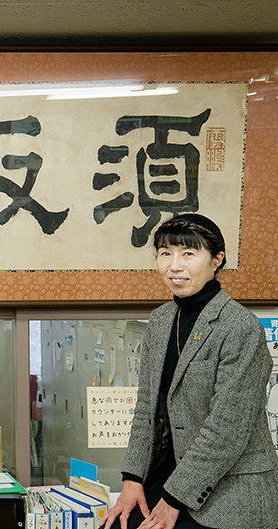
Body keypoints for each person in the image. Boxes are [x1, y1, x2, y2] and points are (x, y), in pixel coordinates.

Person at [100, 214, 278, 529]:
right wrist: (132, 478)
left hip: (230, 484)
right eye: (165, 253)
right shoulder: (160, 319)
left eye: (189, 254)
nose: (174, 265)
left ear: (216, 260)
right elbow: (146, 408)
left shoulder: (240, 327)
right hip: (168, 471)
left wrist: (173, 501)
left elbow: (227, 431)